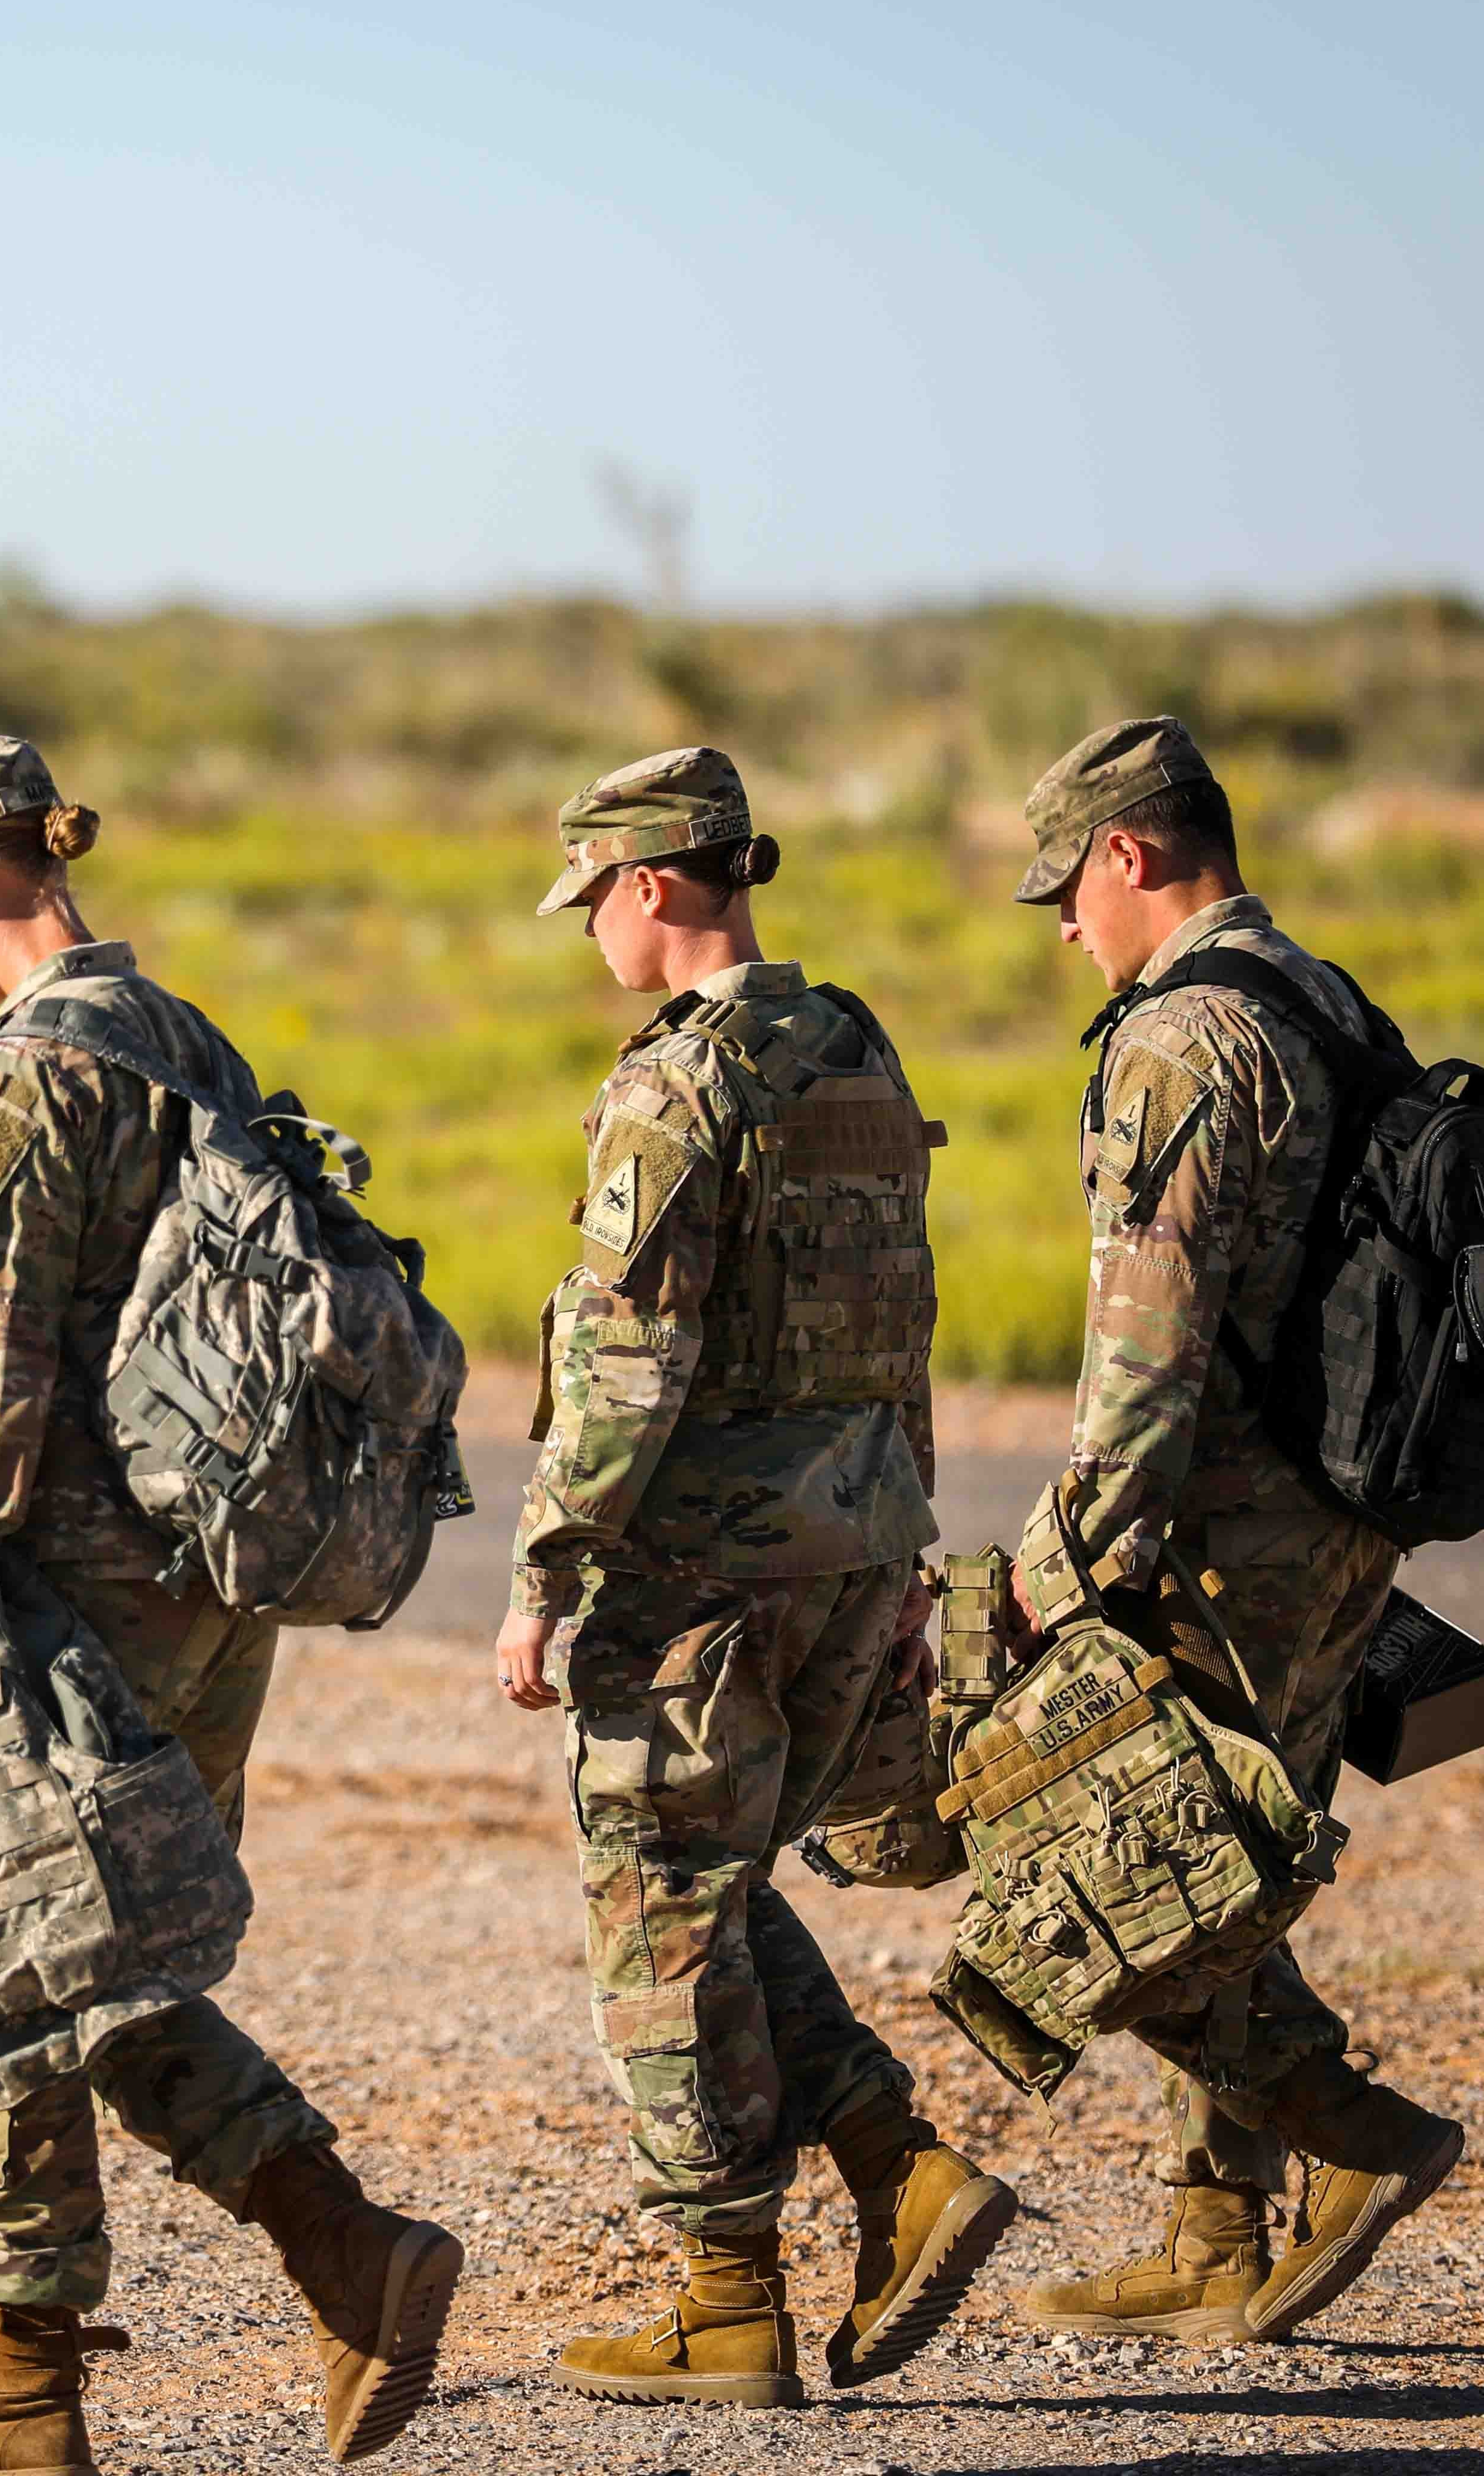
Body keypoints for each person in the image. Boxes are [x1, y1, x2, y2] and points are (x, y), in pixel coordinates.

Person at [0, 736, 461, 2472]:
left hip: (77, 1580)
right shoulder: (184, 1038)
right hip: (222, 1573)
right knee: (105, 1956)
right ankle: (334, 2258)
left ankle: (35, 2396)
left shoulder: (17, 1075)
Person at [495, 747, 1013, 2406]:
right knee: (714, 1885)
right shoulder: (852, 1044)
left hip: (708, 1568)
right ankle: (893, 2170)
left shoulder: (678, 1084)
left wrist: (548, 1572)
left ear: (652, 887)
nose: (590, 936)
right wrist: (909, 1540)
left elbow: (627, 1361)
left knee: (654, 1904)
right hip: (860, 1539)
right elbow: (904, 1312)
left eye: (592, 903)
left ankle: (732, 2296)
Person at [998, 716, 1464, 2345]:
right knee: (1241, 1869)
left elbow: (1147, 1351)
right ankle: (1215, 2237)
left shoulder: (1182, 1039)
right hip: (1350, 1515)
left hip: (1227, 1531)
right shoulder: (1328, 999)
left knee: (1117, 1865)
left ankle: (1357, 2139)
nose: (1063, 925)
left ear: (1130, 854)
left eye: (1067, 885)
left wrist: (1046, 1576)